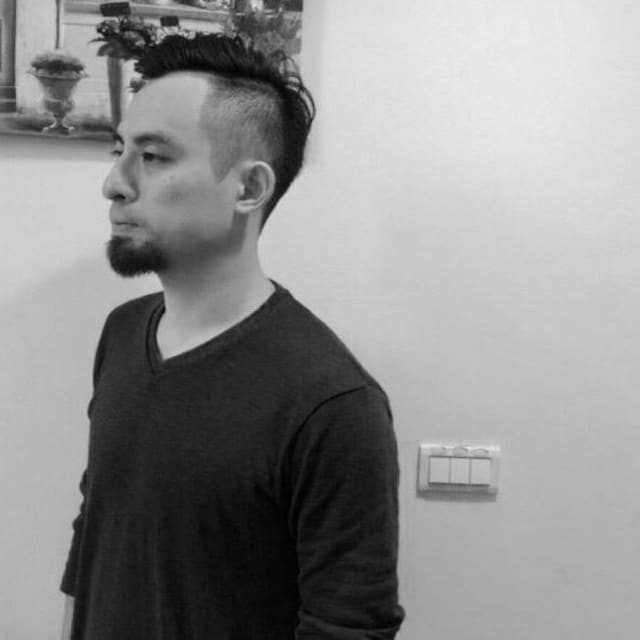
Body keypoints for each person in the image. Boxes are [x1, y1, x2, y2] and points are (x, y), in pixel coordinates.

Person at [60, 33, 405, 640]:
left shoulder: (331, 403)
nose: (114, 183)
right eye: (120, 150)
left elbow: (350, 625)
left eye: (153, 156)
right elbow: (96, 525)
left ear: (249, 189)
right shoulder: (124, 331)